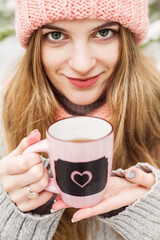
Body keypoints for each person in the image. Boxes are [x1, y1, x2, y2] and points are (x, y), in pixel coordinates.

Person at [0, 0, 160, 239]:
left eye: (103, 33)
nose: (82, 64)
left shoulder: (155, 110)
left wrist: (151, 214)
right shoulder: (6, 116)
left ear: (126, 39)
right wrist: (18, 211)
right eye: (56, 35)